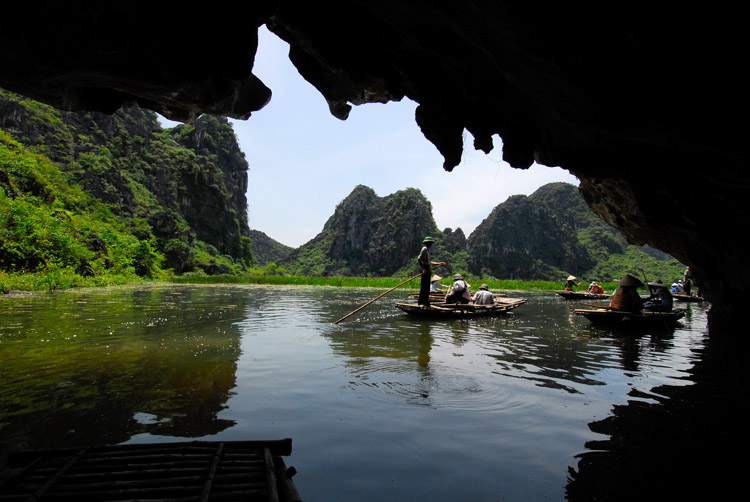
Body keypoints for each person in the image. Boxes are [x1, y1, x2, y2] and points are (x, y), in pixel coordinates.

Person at [417, 236, 446, 306]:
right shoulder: (424, 249)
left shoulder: (427, 250)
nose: (431, 245)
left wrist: (439, 263)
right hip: (425, 269)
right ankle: (421, 302)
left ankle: (425, 302)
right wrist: (423, 269)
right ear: (429, 243)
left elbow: (430, 262)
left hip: (427, 268)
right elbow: (419, 259)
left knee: (426, 286)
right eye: (431, 243)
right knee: (424, 286)